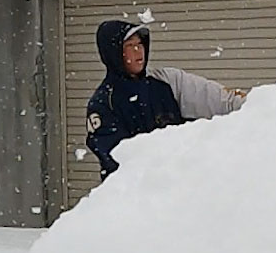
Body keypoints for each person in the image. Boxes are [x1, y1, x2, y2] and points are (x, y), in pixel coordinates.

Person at [87, 20, 246, 179]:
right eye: (130, 45)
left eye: (140, 44)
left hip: (181, 182)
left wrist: (256, 106)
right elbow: (119, 161)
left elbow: (221, 100)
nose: (138, 50)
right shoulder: (103, 104)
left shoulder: (167, 81)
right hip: (140, 190)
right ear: (113, 53)